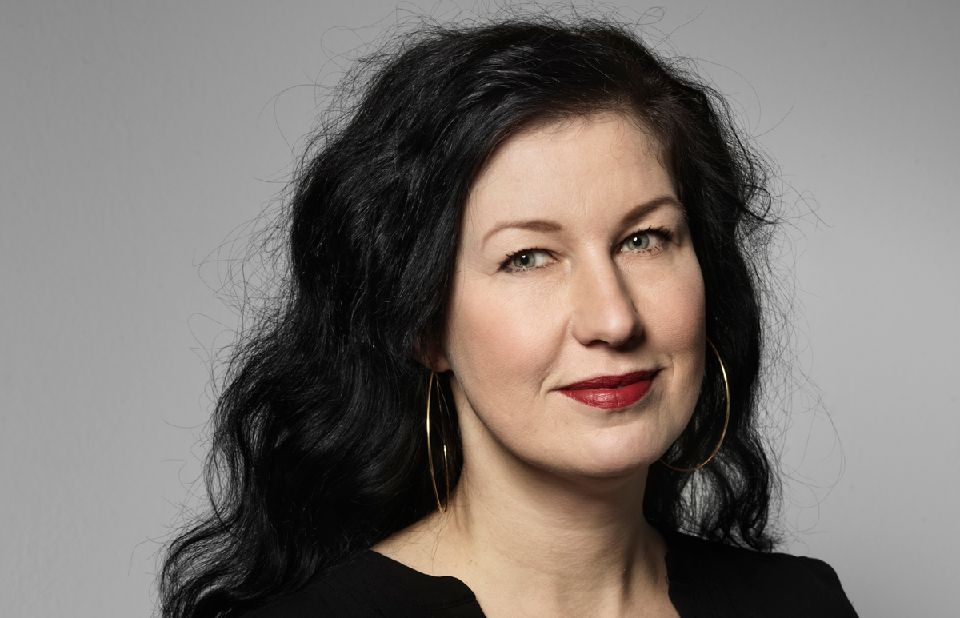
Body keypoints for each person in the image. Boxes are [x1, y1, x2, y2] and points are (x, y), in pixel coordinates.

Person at [160, 16, 858, 617]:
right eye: (528, 258)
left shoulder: (802, 604)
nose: (614, 319)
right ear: (424, 326)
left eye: (644, 239)